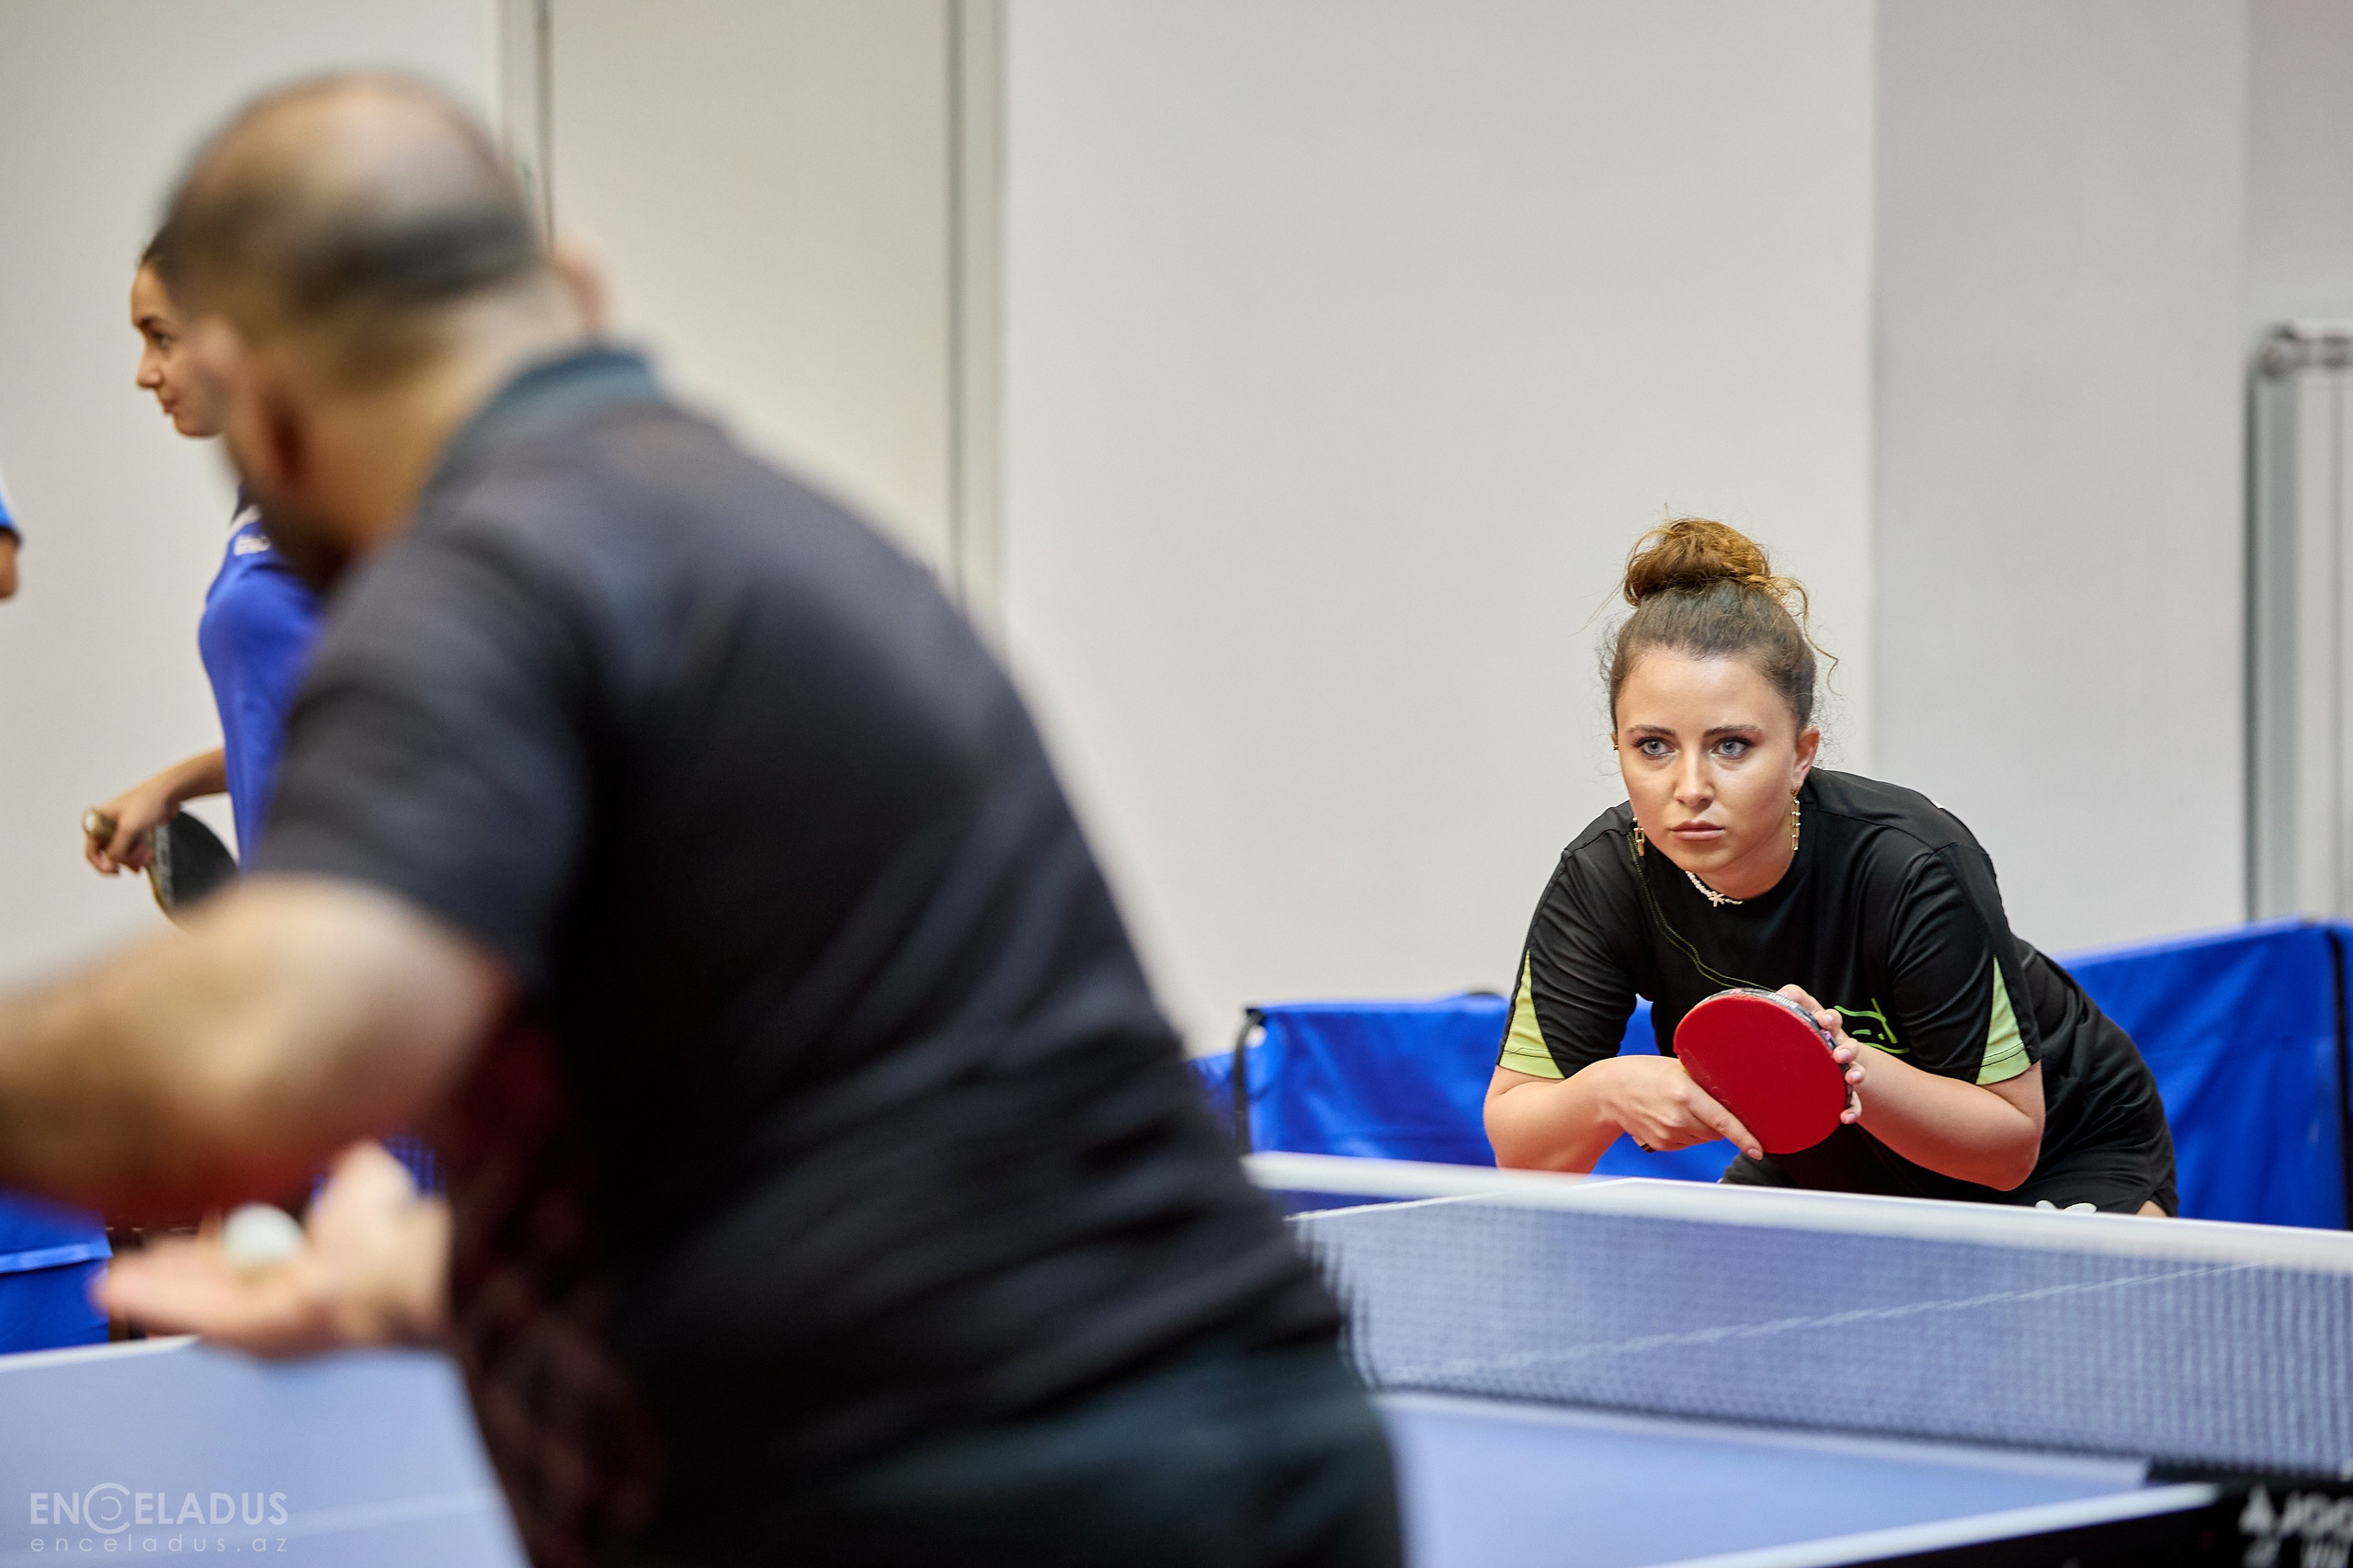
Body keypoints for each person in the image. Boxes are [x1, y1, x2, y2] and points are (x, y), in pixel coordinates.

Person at [0, 74, 1393, 1568]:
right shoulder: (767, 534)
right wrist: (426, 1277)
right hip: (1236, 1455)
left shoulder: (483, 578)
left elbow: (258, 1050)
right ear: (571, 293)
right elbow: (804, 1140)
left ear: (267, 406)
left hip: (976, 1494)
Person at [1484, 517, 2177, 1216]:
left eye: (1731, 746)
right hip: (1824, 1162)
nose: (1689, 786)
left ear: (1801, 754)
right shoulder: (1602, 879)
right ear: (1619, 747)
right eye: (1654, 746)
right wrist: (1606, 1092)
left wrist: (1838, 1069)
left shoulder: (1910, 864)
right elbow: (1522, 1150)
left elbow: (2007, 1150)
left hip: (2064, 1156)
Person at [85, 226, 319, 881]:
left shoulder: (351, 498)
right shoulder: (262, 503)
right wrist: (171, 785)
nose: (144, 373)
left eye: (162, 337)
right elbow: (293, 723)